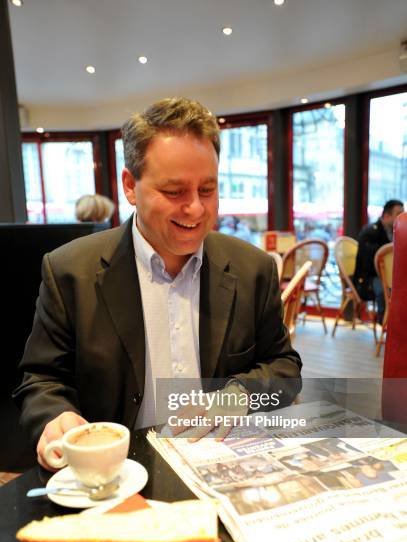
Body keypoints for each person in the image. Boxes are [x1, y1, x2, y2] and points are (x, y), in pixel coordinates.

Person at [13, 97, 302, 471]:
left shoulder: (252, 269)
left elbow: (284, 369)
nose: (196, 209)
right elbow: (41, 379)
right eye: (174, 192)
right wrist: (55, 418)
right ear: (131, 186)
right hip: (116, 473)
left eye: (207, 189)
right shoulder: (70, 272)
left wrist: (236, 397)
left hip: (225, 464)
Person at [353, 199, 404, 322]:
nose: (402, 219)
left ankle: (399, 324)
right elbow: (367, 265)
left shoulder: (398, 233)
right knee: (386, 288)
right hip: (367, 279)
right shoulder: (370, 232)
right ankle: (385, 321)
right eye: (399, 215)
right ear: (386, 216)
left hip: (390, 277)